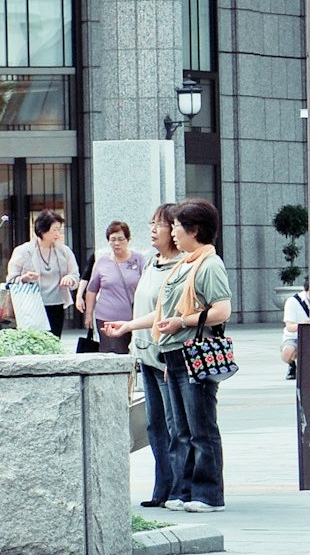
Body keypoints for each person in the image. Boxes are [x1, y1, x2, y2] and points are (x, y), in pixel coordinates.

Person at [103, 198, 231, 514]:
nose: (172, 232)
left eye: (176, 226)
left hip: (193, 354)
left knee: (201, 428)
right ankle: (186, 491)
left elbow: (221, 310)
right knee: (183, 429)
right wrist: (129, 325)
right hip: (171, 353)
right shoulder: (185, 263)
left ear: (194, 230)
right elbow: (162, 312)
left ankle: (208, 494)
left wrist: (182, 322)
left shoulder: (210, 264)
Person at [122, 204, 183, 509]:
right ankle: (163, 485)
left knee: (174, 425)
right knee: (154, 425)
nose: (152, 230)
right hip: (145, 354)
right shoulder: (151, 262)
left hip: (167, 357)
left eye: (158, 225)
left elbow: (169, 312)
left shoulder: (182, 266)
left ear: (174, 230)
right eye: (151, 224)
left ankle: (179, 487)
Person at [6, 210, 80, 337]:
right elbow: (11, 279)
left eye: (59, 229)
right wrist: (24, 278)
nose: (58, 234)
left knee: (54, 341)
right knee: (34, 342)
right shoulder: (24, 251)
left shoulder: (64, 251)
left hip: (56, 304)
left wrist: (69, 278)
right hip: (31, 304)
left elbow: (75, 276)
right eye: (54, 230)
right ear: (42, 230)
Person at [80, 220, 146, 354]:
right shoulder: (102, 261)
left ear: (128, 239)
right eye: (113, 239)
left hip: (135, 318)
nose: (117, 243)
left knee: (137, 356)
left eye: (121, 239)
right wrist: (88, 315)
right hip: (107, 317)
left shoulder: (139, 259)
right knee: (114, 355)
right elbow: (92, 289)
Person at [280, 283, 310, 380]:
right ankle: (292, 365)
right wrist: (302, 325)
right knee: (288, 351)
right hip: (295, 337)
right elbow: (289, 326)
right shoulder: (293, 301)